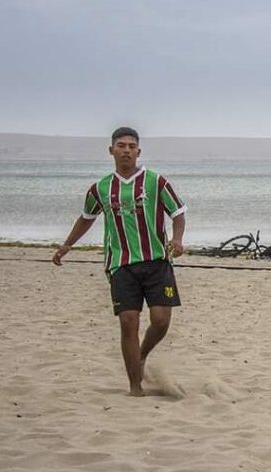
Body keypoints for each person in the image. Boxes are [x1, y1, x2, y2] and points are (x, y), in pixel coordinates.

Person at [51, 127, 186, 397]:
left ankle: (142, 355)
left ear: (138, 151)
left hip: (157, 261)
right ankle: (135, 387)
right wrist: (67, 245)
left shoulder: (155, 181)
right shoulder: (100, 188)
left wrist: (178, 239)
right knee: (128, 321)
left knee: (160, 320)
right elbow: (85, 218)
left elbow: (179, 213)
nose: (126, 150)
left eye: (131, 146)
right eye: (121, 145)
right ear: (111, 150)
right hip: (120, 265)